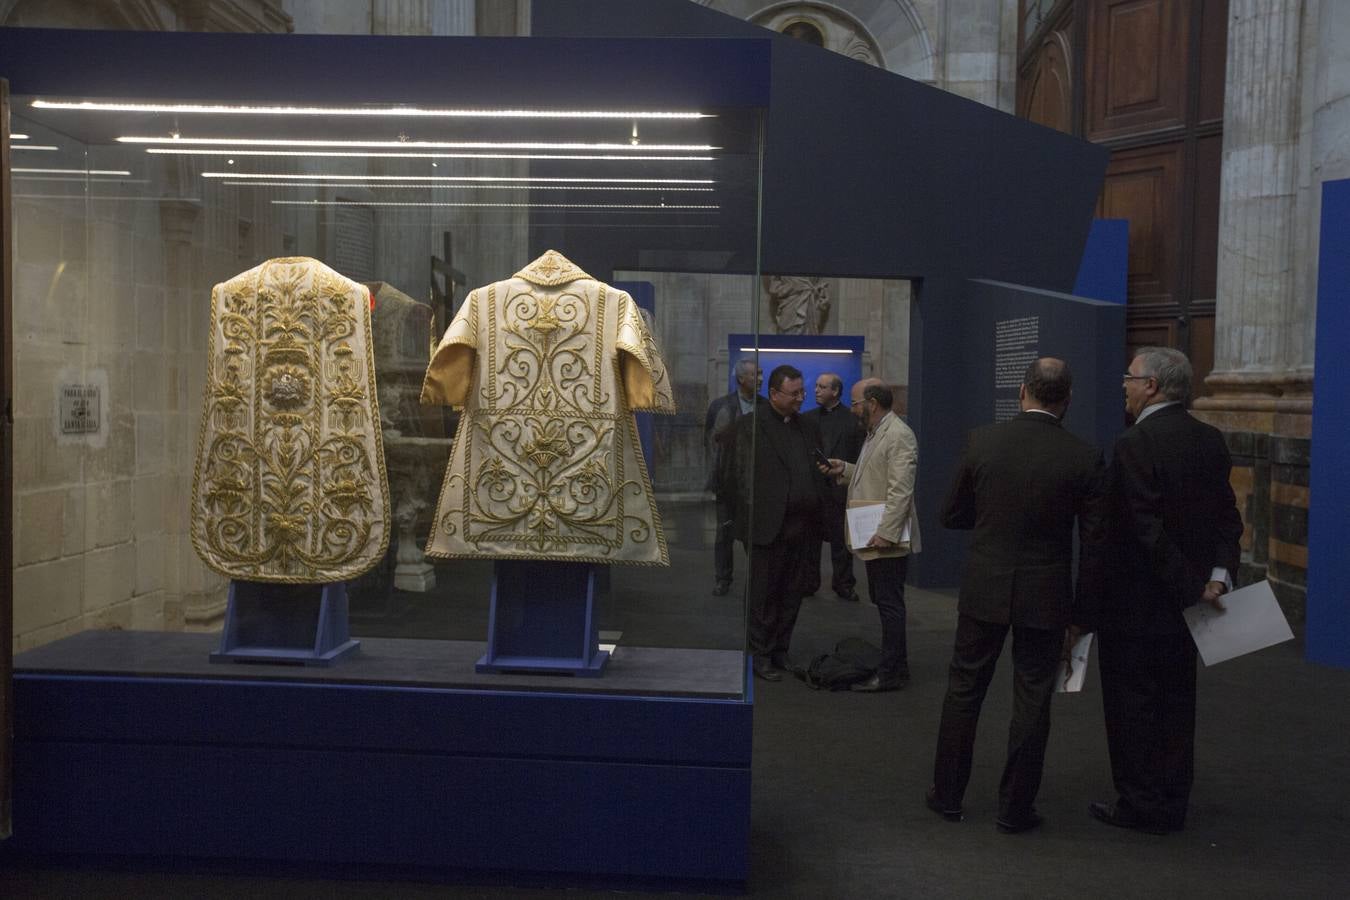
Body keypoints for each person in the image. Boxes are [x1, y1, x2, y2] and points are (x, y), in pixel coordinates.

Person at [926, 358, 1108, 834]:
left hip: (985, 584)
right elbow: (1095, 545)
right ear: (1067, 400)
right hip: (1046, 594)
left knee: (964, 691)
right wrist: (1083, 614)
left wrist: (988, 524)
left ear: (1022, 392)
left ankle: (946, 795)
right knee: (1032, 699)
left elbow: (951, 514)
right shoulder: (1084, 456)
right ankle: (1014, 808)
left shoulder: (982, 441)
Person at [1090, 347, 1243, 834]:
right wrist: (1216, 577)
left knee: (1133, 704)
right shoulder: (1211, 440)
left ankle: (1138, 804)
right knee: (1178, 703)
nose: (1124, 386)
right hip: (1194, 606)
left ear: (1152, 385)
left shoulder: (1134, 444)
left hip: (1139, 604)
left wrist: (1188, 585)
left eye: (1129, 378)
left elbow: (1144, 528)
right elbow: (1227, 519)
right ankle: (1173, 801)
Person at [821, 379, 921, 692]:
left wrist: (887, 533)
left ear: (872, 403)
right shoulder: (878, 431)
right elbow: (873, 472)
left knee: (890, 603)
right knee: (885, 601)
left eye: (855, 403)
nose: (853, 410)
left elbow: (900, 490)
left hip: (884, 536)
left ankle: (891, 673)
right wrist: (844, 469)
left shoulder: (899, 435)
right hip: (877, 534)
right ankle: (895, 665)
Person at [731, 364, 825, 682]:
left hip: (803, 527)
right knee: (763, 596)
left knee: (792, 594)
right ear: (773, 394)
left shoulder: (808, 426)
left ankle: (780, 650)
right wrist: (746, 527)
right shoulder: (750, 426)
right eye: (794, 393)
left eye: (802, 392)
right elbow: (739, 478)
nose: (801, 398)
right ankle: (759, 655)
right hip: (767, 527)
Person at [802, 372, 864, 601]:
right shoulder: (807, 419)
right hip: (814, 490)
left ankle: (844, 584)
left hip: (840, 489)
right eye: (816, 386)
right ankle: (809, 582)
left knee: (841, 542)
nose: (816, 390)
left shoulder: (853, 421)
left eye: (822, 386)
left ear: (835, 391)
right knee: (810, 542)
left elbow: (858, 456)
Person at [704, 358, 762, 596]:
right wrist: (715, 478)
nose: (759, 378)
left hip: (754, 484)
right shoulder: (721, 406)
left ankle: (759, 580)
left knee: (754, 534)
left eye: (760, 373)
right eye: (754, 374)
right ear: (741, 379)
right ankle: (722, 578)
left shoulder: (765, 406)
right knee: (724, 533)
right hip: (728, 482)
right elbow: (710, 444)